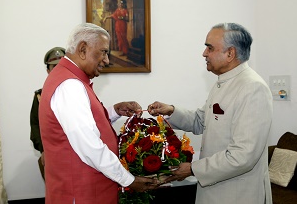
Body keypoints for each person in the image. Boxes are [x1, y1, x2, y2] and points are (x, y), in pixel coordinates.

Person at [148, 23, 273, 204]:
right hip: (215, 190)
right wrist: (171, 111)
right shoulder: (223, 82)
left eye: (210, 48)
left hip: (237, 194)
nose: (204, 53)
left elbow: (243, 155)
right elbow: (201, 120)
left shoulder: (253, 88)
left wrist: (193, 169)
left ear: (230, 54)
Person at [39, 23, 158, 204]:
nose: (106, 60)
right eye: (103, 52)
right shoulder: (70, 86)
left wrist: (113, 111)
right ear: (83, 49)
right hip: (81, 193)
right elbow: (90, 146)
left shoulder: (69, 78)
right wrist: (129, 180)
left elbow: (79, 126)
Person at [30, 47, 65, 180]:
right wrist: (43, 150)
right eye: (54, 67)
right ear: (48, 71)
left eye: (61, 66)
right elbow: (35, 125)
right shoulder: (40, 96)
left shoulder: (76, 91)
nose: (58, 71)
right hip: (52, 151)